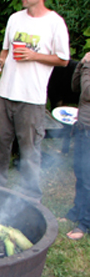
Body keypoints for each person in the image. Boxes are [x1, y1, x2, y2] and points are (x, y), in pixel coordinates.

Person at [0, 0, 69, 200]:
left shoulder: (54, 23)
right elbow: (5, 50)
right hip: (4, 93)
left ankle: (31, 196)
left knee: (30, 149)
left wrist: (34, 55)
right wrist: (0, 62)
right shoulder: (15, 18)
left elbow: (63, 59)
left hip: (32, 98)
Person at [65, 52, 90, 240]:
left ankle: (85, 224)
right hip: (83, 126)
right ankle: (76, 211)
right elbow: (75, 87)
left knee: (88, 178)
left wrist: (87, 67)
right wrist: (81, 65)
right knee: (80, 173)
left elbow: (88, 92)